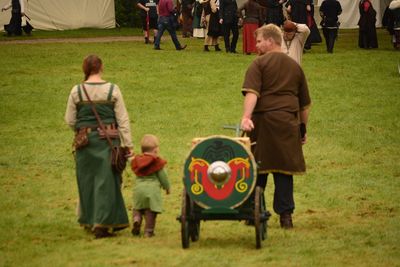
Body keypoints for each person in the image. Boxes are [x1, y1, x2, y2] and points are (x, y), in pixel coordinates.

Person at [240, 24, 311, 229]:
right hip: (288, 123)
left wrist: (246, 117)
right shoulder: (295, 66)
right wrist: (302, 128)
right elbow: (304, 104)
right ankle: (286, 217)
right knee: (284, 170)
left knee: (258, 167)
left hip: (263, 122)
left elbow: (252, 93)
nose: (257, 45)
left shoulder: (259, 64)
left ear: (271, 41)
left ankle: (253, 212)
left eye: (259, 41)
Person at [65, 55, 134, 238]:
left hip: (84, 142)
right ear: (101, 67)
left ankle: (89, 220)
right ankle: (101, 225)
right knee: (106, 182)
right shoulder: (112, 90)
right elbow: (123, 120)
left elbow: (70, 120)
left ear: (85, 69)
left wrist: (82, 131)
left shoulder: (76, 91)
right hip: (108, 142)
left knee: (87, 181)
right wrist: (128, 144)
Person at [131, 134, 170, 237]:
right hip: (152, 191)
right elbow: (163, 177)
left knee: (137, 208)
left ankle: (137, 219)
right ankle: (148, 231)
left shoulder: (137, 160)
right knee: (150, 211)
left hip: (138, 190)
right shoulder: (157, 162)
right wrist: (167, 187)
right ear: (156, 150)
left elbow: (133, 166)